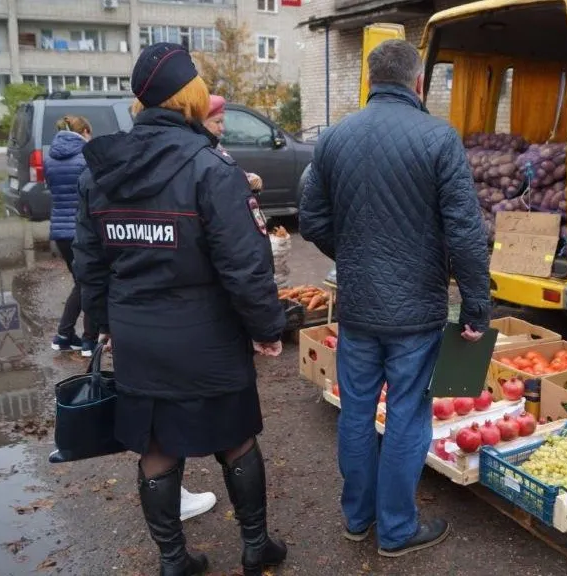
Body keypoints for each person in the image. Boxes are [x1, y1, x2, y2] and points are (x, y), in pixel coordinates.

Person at [73, 43, 288, 576]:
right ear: (188, 96)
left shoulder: (99, 172)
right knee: (236, 438)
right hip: (207, 337)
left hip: (139, 336)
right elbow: (245, 265)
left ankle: (173, 561)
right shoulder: (210, 169)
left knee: (157, 446)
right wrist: (268, 328)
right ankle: (255, 546)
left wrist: (100, 326)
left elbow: (89, 265)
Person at [299, 39, 491, 557]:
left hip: (359, 307)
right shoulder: (438, 138)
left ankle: (358, 521)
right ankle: (397, 530)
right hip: (416, 312)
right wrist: (476, 307)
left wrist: (356, 252)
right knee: (407, 415)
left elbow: (312, 219)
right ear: (419, 83)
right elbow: (466, 233)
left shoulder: (334, 139)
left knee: (358, 415)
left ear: (369, 80)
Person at [44, 115, 99, 358]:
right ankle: (88, 341)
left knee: (81, 282)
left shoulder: (50, 159)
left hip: (60, 232)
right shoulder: (86, 158)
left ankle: (64, 335)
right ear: (85, 131)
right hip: (82, 229)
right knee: (90, 282)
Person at [203, 94, 264, 194]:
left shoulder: (215, 146)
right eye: (217, 122)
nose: (222, 128)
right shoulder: (200, 151)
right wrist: (244, 181)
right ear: (201, 122)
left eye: (222, 122)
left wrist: (248, 178)